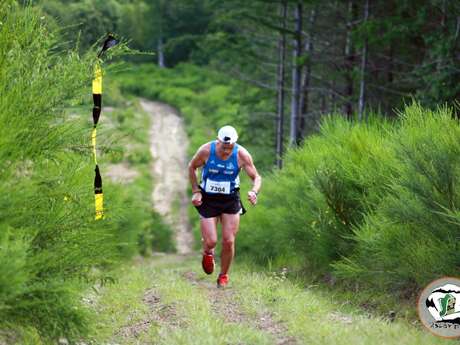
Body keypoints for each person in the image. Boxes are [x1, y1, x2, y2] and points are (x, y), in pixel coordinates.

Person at [188, 125, 261, 288]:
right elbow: (191, 167)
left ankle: (223, 276)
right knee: (212, 241)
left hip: (230, 200)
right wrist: (195, 191)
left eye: (230, 147)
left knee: (228, 240)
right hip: (208, 199)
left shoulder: (242, 154)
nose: (227, 151)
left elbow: (256, 177)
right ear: (218, 141)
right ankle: (207, 252)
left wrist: (254, 192)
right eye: (224, 147)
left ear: (235, 143)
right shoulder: (206, 151)